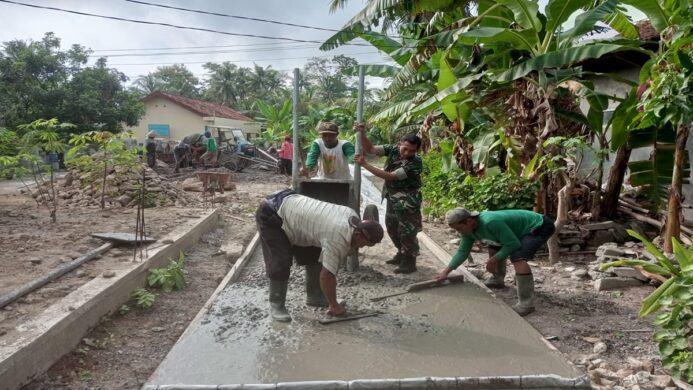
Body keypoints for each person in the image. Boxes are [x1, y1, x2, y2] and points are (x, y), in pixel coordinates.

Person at [255, 189, 384, 322]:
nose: (361, 247)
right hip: (272, 213)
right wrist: (334, 306)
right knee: (280, 260)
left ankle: (316, 296)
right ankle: (277, 305)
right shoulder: (338, 237)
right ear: (358, 234)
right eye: (364, 244)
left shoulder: (352, 216)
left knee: (314, 253)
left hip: (293, 207)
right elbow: (327, 275)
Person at [435, 208, 556, 316]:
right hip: (519, 230)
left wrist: (493, 260)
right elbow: (462, 252)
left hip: (539, 226)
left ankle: (526, 304)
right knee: (493, 245)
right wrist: (446, 272)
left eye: (459, 228)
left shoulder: (490, 222)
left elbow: (513, 244)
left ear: (468, 221)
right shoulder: (468, 231)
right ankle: (497, 279)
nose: (459, 232)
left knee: (517, 257)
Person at [354, 123, 423, 274]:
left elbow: (391, 176)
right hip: (392, 196)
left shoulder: (415, 163)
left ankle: (409, 262)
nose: (406, 153)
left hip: (408, 200)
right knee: (391, 225)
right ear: (400, 144)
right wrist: (362, 133)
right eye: (405, 148)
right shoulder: (392, 149)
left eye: (412, 151)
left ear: (416, 151)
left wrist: (365, 164)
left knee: (407, 231)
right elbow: (370, 149)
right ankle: (401, 253)